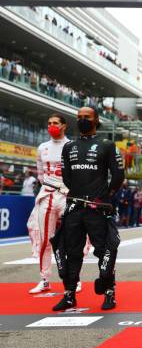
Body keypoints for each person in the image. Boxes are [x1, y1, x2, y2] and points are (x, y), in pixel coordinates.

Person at [51, 106, 124, 311]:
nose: (83, 120)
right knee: (72, 251)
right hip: (74, 207)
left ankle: (109, 292)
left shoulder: (107, 145)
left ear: (96, 120)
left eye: (87, 117)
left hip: (97, 208)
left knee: (104, 250)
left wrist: (106, 196)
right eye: (80, 117)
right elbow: (66, 177)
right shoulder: (69, 146)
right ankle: (69, 294)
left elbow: (118, 175)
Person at [26, 114, 80, 294]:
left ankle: (74, 278)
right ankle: (45, 279)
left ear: (64, 126)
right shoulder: (42, 148)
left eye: (55, 123)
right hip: (47, 195)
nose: (51, 126)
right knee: (45, 239)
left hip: (67, 195)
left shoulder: (72, 146)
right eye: (49, 123)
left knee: (72, 239)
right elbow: (41, 174)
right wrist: (50, 187)